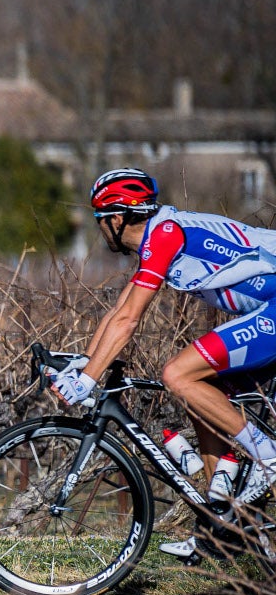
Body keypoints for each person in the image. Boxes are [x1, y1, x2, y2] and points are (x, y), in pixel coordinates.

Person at [55, 168, 276, 511]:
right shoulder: (158, 238)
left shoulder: (166, 235)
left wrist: (86, 382)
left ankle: (267, 456)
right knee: (201, 396)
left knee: (177, 375)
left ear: (117, 217)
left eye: (100, 218)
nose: (100, 228)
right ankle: (222, 524)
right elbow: (118, 312)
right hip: (268, 308)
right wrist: (87, 362)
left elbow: (130, 321)